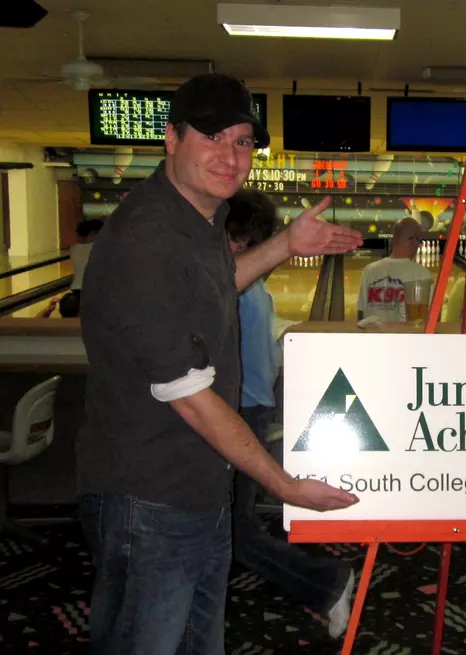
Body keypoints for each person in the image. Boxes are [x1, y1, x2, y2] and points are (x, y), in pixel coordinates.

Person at [77, 73, 364, 654]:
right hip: (150, 492)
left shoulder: (201, 219)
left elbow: (214, 289)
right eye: (212, 136)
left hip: (198, 483)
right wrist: (282, 485)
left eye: (242, 142)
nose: (230, 156)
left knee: (196, 641)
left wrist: (284, 245)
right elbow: (186, 391)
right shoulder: (149, 238)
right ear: (171, 138)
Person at [225, 189, 354, 639]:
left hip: (236, 414)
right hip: (251, 410)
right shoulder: (255, 291)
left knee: (232, 529)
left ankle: (324, 582)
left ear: (237, 240)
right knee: (228, 522)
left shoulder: (236, 292)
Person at [357, 216, 431, 322]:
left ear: (393, 240)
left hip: (373, 337)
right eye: (420, 241)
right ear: (414, 241)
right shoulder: (423, 275)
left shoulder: (369, 270)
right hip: (405, 338)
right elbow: (430, 320)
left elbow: (361, 314)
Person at [69, 218, 103, 293]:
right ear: (93, 233)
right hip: (95, 290)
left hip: (76, 289)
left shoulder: (73, 249)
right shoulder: (101, 248)